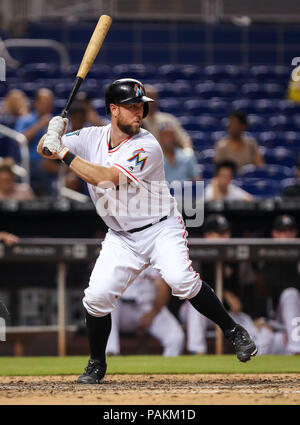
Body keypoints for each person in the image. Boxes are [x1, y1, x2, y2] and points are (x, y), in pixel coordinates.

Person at [37, 78, 257, 384]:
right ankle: (97, 363)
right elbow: (44, 150)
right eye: (130, 107)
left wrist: (62, 152)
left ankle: (233, 330)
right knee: (96, 299)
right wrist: (53, 133)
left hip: (159, 228)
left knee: (181, 280)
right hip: (121, 236)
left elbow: (106, 178)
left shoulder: (146, 145)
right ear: (113, 109)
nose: (138, 112)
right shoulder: (90, 137)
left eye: (141, 106)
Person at [181, 214, 287, 355]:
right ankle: (197, 352)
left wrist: (255, 316)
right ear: (207, 235)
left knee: (264, 336)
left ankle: (253, 373)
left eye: (226, 232)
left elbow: (250, 290)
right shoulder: (196, 255)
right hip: (199, 312)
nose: (225, 237)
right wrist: (224, 294)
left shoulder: (237, 258)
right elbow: (189, 287)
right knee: (194, 305)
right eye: (219, 233)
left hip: (231, 313)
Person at [106, 267, 184, 357]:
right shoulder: (114, 256)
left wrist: (152, 314)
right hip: (121, 310)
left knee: (176, 337)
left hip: (148, 308)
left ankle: (166, 369)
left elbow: (162, 287)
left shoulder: (152, 257)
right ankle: (110, 353)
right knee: (107, 305)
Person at [258, 214, 300, 354]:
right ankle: (296, 348)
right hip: (279, 318)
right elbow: (271, 290)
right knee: (290, 293)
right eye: (283, 231)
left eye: (290, 231)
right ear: (275, 234)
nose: (287, 235)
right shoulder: (269, 259)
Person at [14, 88, 54, 195]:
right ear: (36, 103)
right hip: (29, 162)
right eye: (44, 103)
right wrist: (40, 124)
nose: (47, 106)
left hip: (51, 160)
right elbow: (19, 139)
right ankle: (51, 197)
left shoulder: (55, 122)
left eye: (49, 103)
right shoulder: (26, 120)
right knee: (45, 165)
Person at [142, 85, 194, 154]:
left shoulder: (168, 119)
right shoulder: (137, 121)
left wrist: (188, 153)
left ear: (157, 99)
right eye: (147, 97)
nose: (149, 101)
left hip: (167, 158)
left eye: (152, 97)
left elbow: (184, 139)